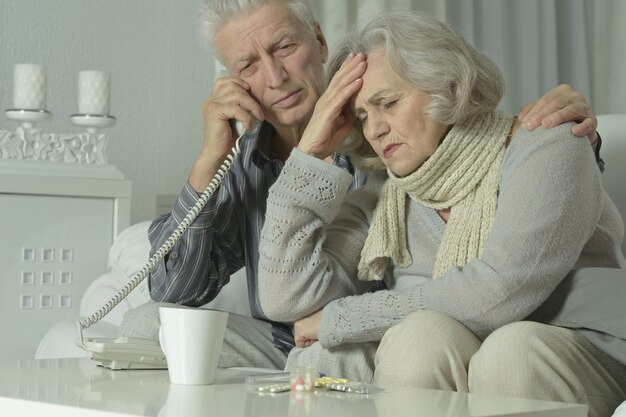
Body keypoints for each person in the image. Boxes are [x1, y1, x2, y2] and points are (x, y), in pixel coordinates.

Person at [126, 0, 602, 372]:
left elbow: (475, 150)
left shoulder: (386, 155)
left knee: (364, 353)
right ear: (232, 79)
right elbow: (173, 289)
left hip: (382, 334)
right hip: (290, 334)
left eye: (285, 47)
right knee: (147, 326)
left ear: (317, 38)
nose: (275, 77)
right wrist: (212, 159)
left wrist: (570, 139)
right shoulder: (244, 158)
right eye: (249, 65)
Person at [256, 10, 626, 416]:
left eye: (389, 103)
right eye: (363, 116)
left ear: (446, 84)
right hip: (464, 356)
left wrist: (340, 318)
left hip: (586, 352)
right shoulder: (385, 201)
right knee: (417, 340)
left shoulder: (550, 144)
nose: (375, 129)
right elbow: (285, 300)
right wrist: (310, 152)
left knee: (510, 351)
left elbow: (498, 292)